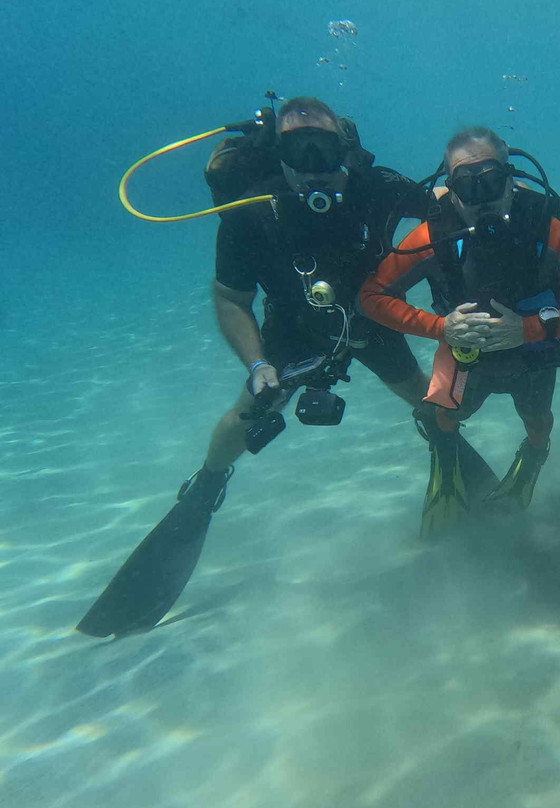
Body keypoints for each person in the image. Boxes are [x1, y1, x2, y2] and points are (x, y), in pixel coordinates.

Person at [78, 97, 445, 637]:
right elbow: (231, 299)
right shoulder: (252, 209)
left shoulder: (376, 185)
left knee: (429, 400)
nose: (315, 160)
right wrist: (256, 364)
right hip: (293, 329)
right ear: (278, 151)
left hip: (370, 315)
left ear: (346, 146)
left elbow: (440, 203)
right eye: (300, 147)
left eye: (325, 146)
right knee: (248, 412)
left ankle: (447, 447)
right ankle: (208, 483)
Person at [360, 127, 560, 536]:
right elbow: (370, 297)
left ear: (511, 180)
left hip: (531, 351)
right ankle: (444, 466)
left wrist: (526, 330)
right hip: (463, 349)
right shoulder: (432, 235)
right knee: (440, 413)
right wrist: (441, 326)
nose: (483, 198)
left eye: (491, 181)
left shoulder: (544, 227)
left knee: (537, 419)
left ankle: (532, 456)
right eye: (467, 186)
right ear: (450, 192)